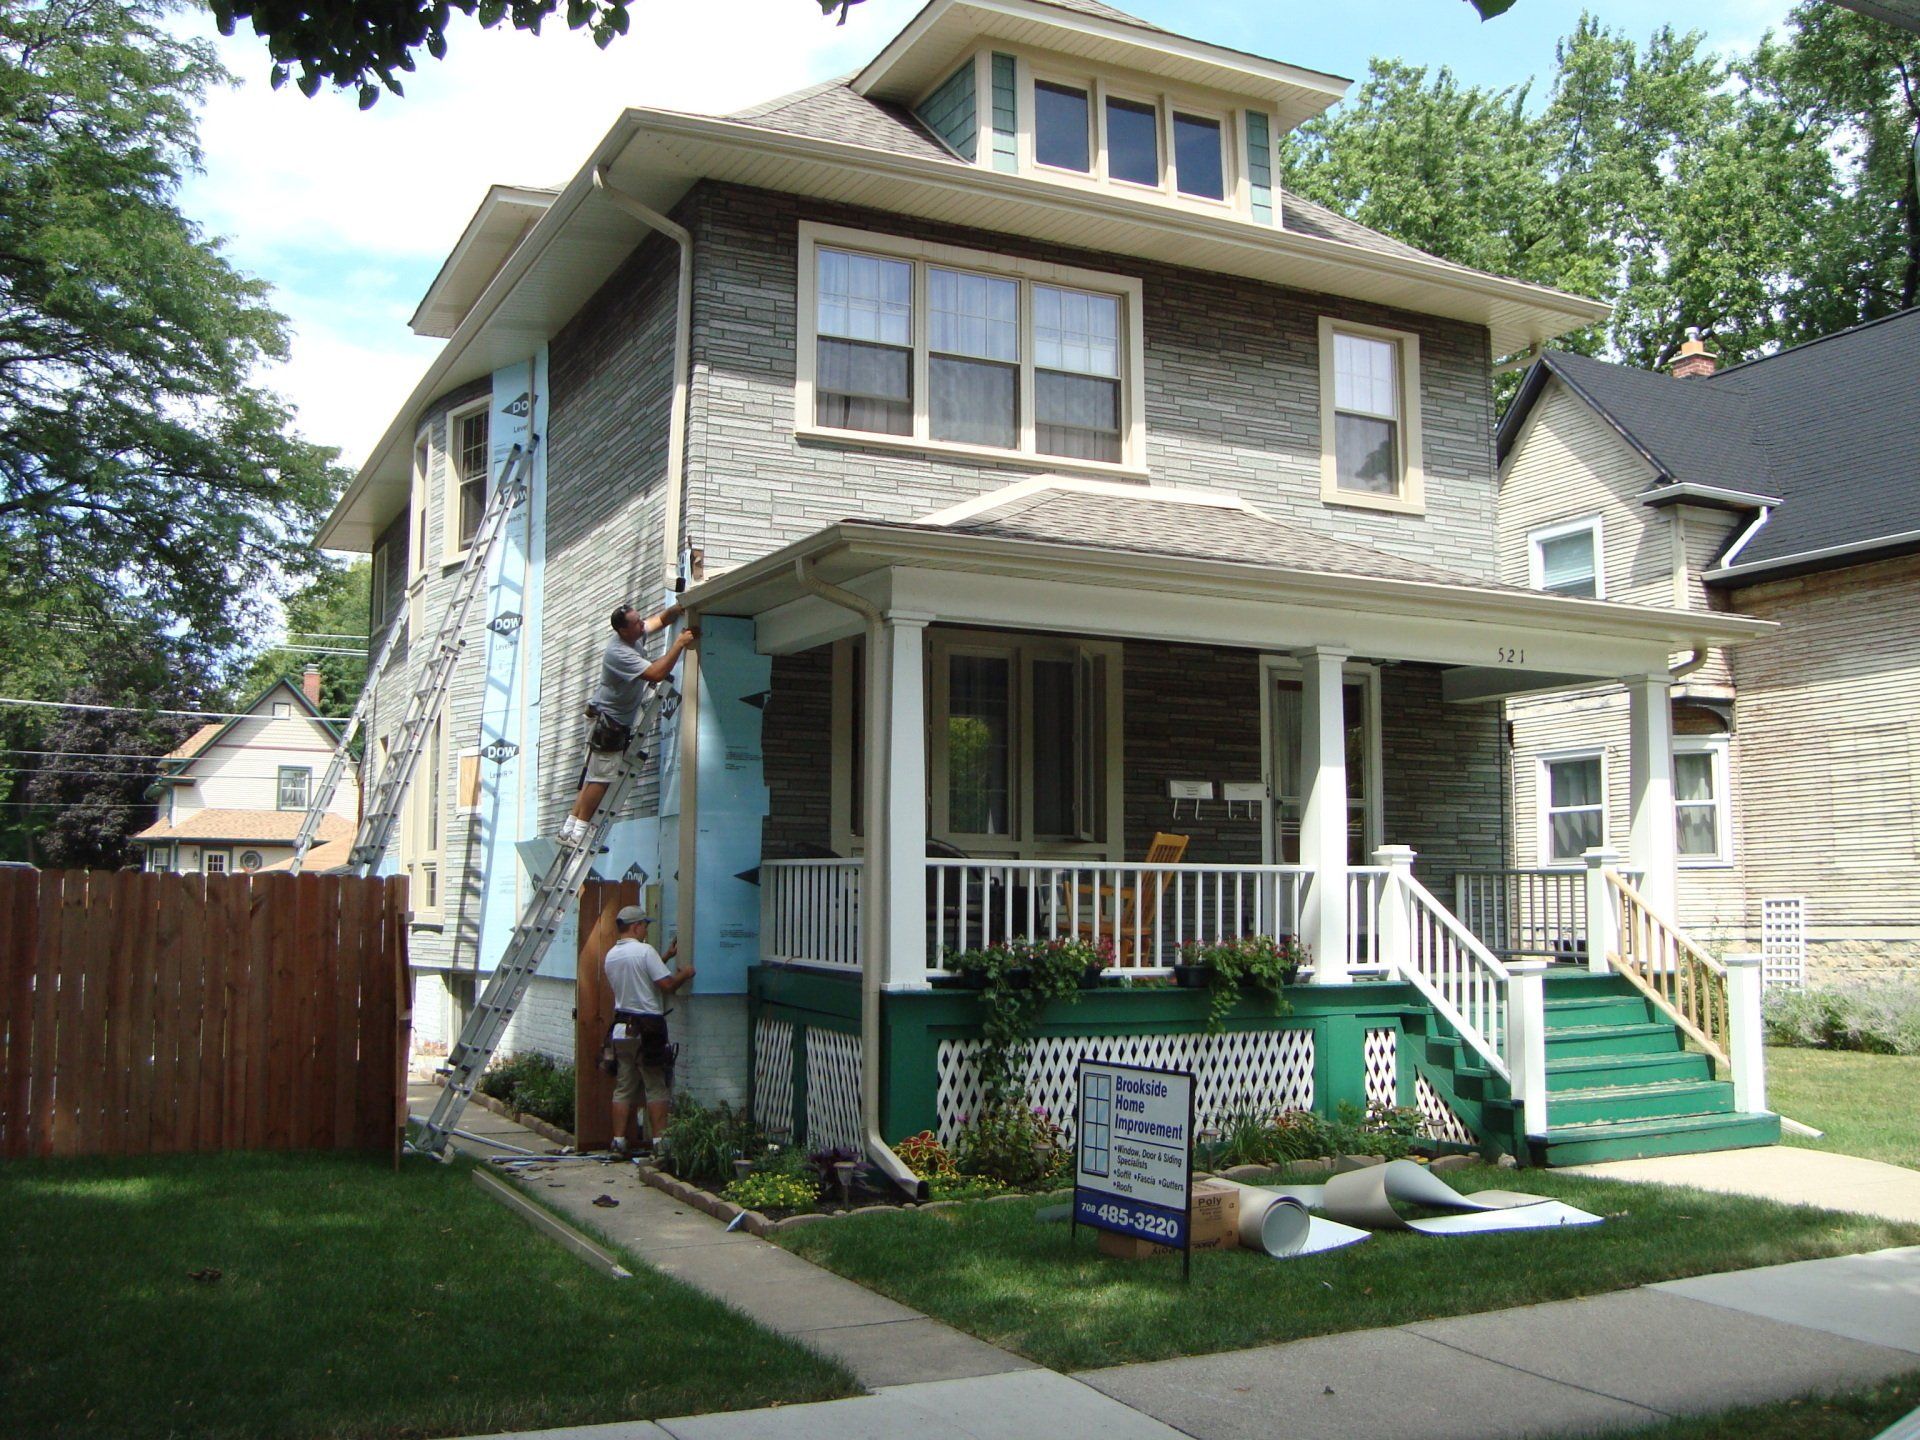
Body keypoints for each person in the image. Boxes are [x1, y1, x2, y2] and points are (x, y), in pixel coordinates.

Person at [558, 602, 697, 849]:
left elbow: (658, 621)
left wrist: (677, 609)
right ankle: (579, 833)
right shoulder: (619, 653)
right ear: (623, 630)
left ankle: (570, 827)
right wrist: (679, 644)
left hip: (605, 717)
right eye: (636, 623)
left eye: (640, 620)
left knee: (594, 775)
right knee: (601, 778)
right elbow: (655, 674)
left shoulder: (634, 635)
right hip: (609, 722)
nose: (642, 625)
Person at [603, 904, 694, 1156]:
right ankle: (660, 1144)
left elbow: (639, 977)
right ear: (636, 926)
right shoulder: (645, 951)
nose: (646, 930)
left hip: (621, 1030)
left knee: (624, 1087)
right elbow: (667, 985)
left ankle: (618, 1142)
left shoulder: (612, 955)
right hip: (648, 1029)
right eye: (644, 925)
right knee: (655, 1086)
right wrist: (686, 973)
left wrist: (665, 957)